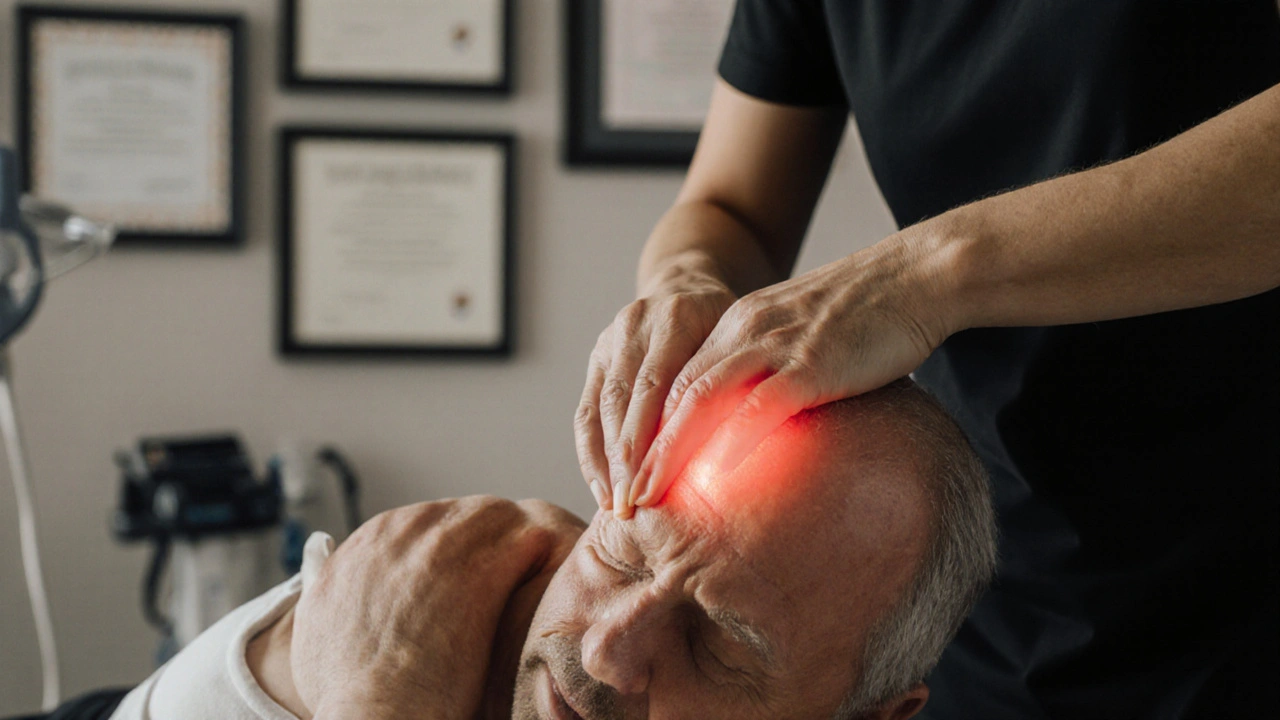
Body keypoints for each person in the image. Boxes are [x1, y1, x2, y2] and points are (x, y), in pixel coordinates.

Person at [574, 2, 1279, 717]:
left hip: (1241, 573)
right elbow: (732, 208)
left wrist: (924, 279)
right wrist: (685, 282)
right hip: (990, 582)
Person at [79, 381, 994, 720]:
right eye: (622, 558)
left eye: (719, 641)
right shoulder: (419, 593)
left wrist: (383, 703)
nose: (602, 652)